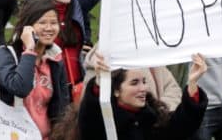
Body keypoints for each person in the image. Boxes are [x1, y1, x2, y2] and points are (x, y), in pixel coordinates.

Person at [68, 54, 209, 140]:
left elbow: (180, 127)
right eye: (134, 83)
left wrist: (192, 83)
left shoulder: (151, 118)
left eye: (144, 81)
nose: (143, 89)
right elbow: (90, 116)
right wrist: (100, 80)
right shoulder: (103, 122)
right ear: (116, 90)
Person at [0, 0, 72, 139]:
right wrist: (30, 49)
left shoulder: (55, 58)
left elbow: (62, 106)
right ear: (27, 27)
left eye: (53, 23)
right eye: (42, 23)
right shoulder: (5, 54)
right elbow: (20, 88)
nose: (49, 28)